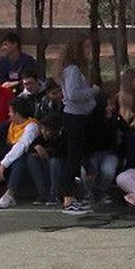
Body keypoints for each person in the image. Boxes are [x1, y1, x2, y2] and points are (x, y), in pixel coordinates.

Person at [58, 40, 99, 214]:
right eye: (86, 47)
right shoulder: (72, 69)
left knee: (77, 156)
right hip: (74, 118)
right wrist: (93, 91)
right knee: (73, 159)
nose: (88, 51)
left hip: (79, 117)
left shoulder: (73, 69)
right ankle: (68, 198)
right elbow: (73, 94)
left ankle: (73, 196)